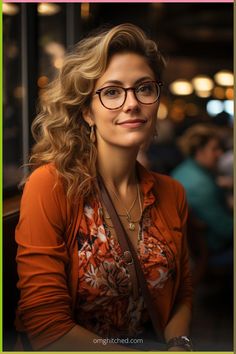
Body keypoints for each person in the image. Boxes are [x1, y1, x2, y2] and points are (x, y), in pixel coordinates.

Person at [15, 23, 193, 351]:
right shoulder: (51, 185)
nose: (131, 103)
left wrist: (179, 344)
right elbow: (47, 327)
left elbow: (182, 294)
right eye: (111, 91)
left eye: (144, 88)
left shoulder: (172, 193)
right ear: (87, 112)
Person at [171, 124, 233, 260]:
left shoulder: (184, 169)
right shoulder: (201, 186)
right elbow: (227, 231)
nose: (220, 154)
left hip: (193, 250)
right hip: (211, 251)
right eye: (214, 149)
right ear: (199, 151)